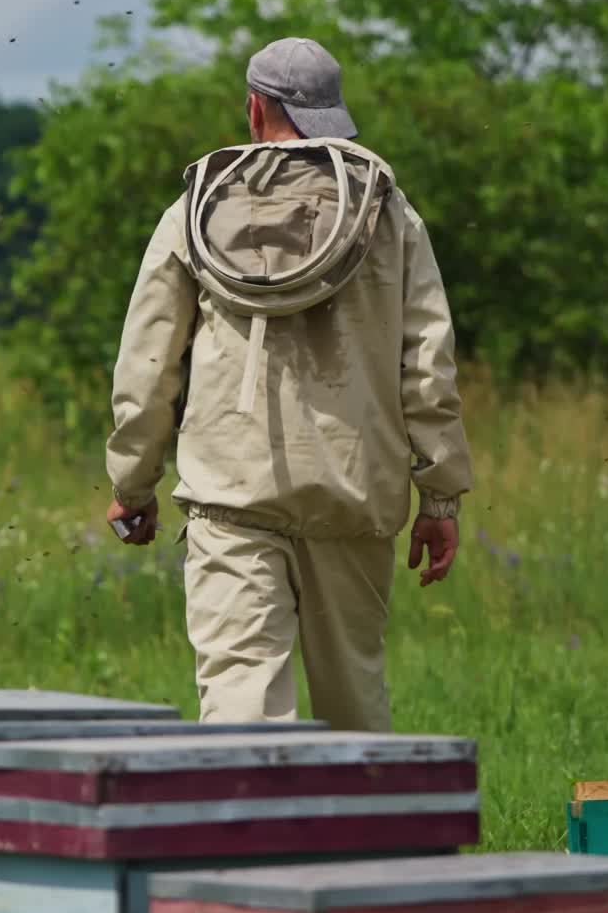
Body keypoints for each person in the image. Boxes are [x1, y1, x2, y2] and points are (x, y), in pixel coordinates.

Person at [104, 36, 474, 732]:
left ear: (253, 109)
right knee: (355, 705)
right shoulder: (389, 213)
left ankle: (255, 840)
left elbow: (147, 364)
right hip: (354, 490)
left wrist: (133, 483)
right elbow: (429, 364)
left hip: (231, 494)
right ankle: (369, 840)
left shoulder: (194, 211)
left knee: (243, 704)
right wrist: (441, 496)